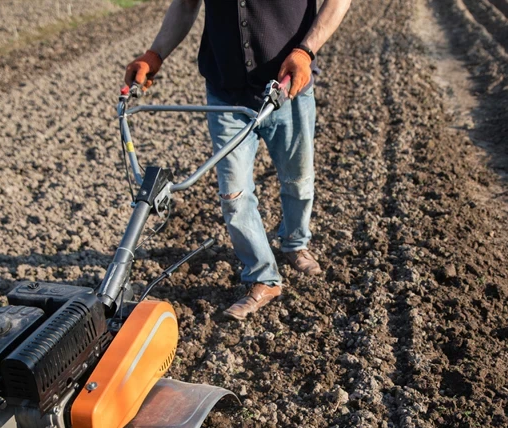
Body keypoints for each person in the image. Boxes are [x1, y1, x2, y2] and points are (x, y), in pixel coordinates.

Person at [125, 0, 351, 320]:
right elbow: (186, 5)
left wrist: (306, 51)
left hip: (288, 88)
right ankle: (262, 277)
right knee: (234, 194)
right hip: (226, 93)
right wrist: (155, 53)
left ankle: (295, 243)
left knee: (297, 178)